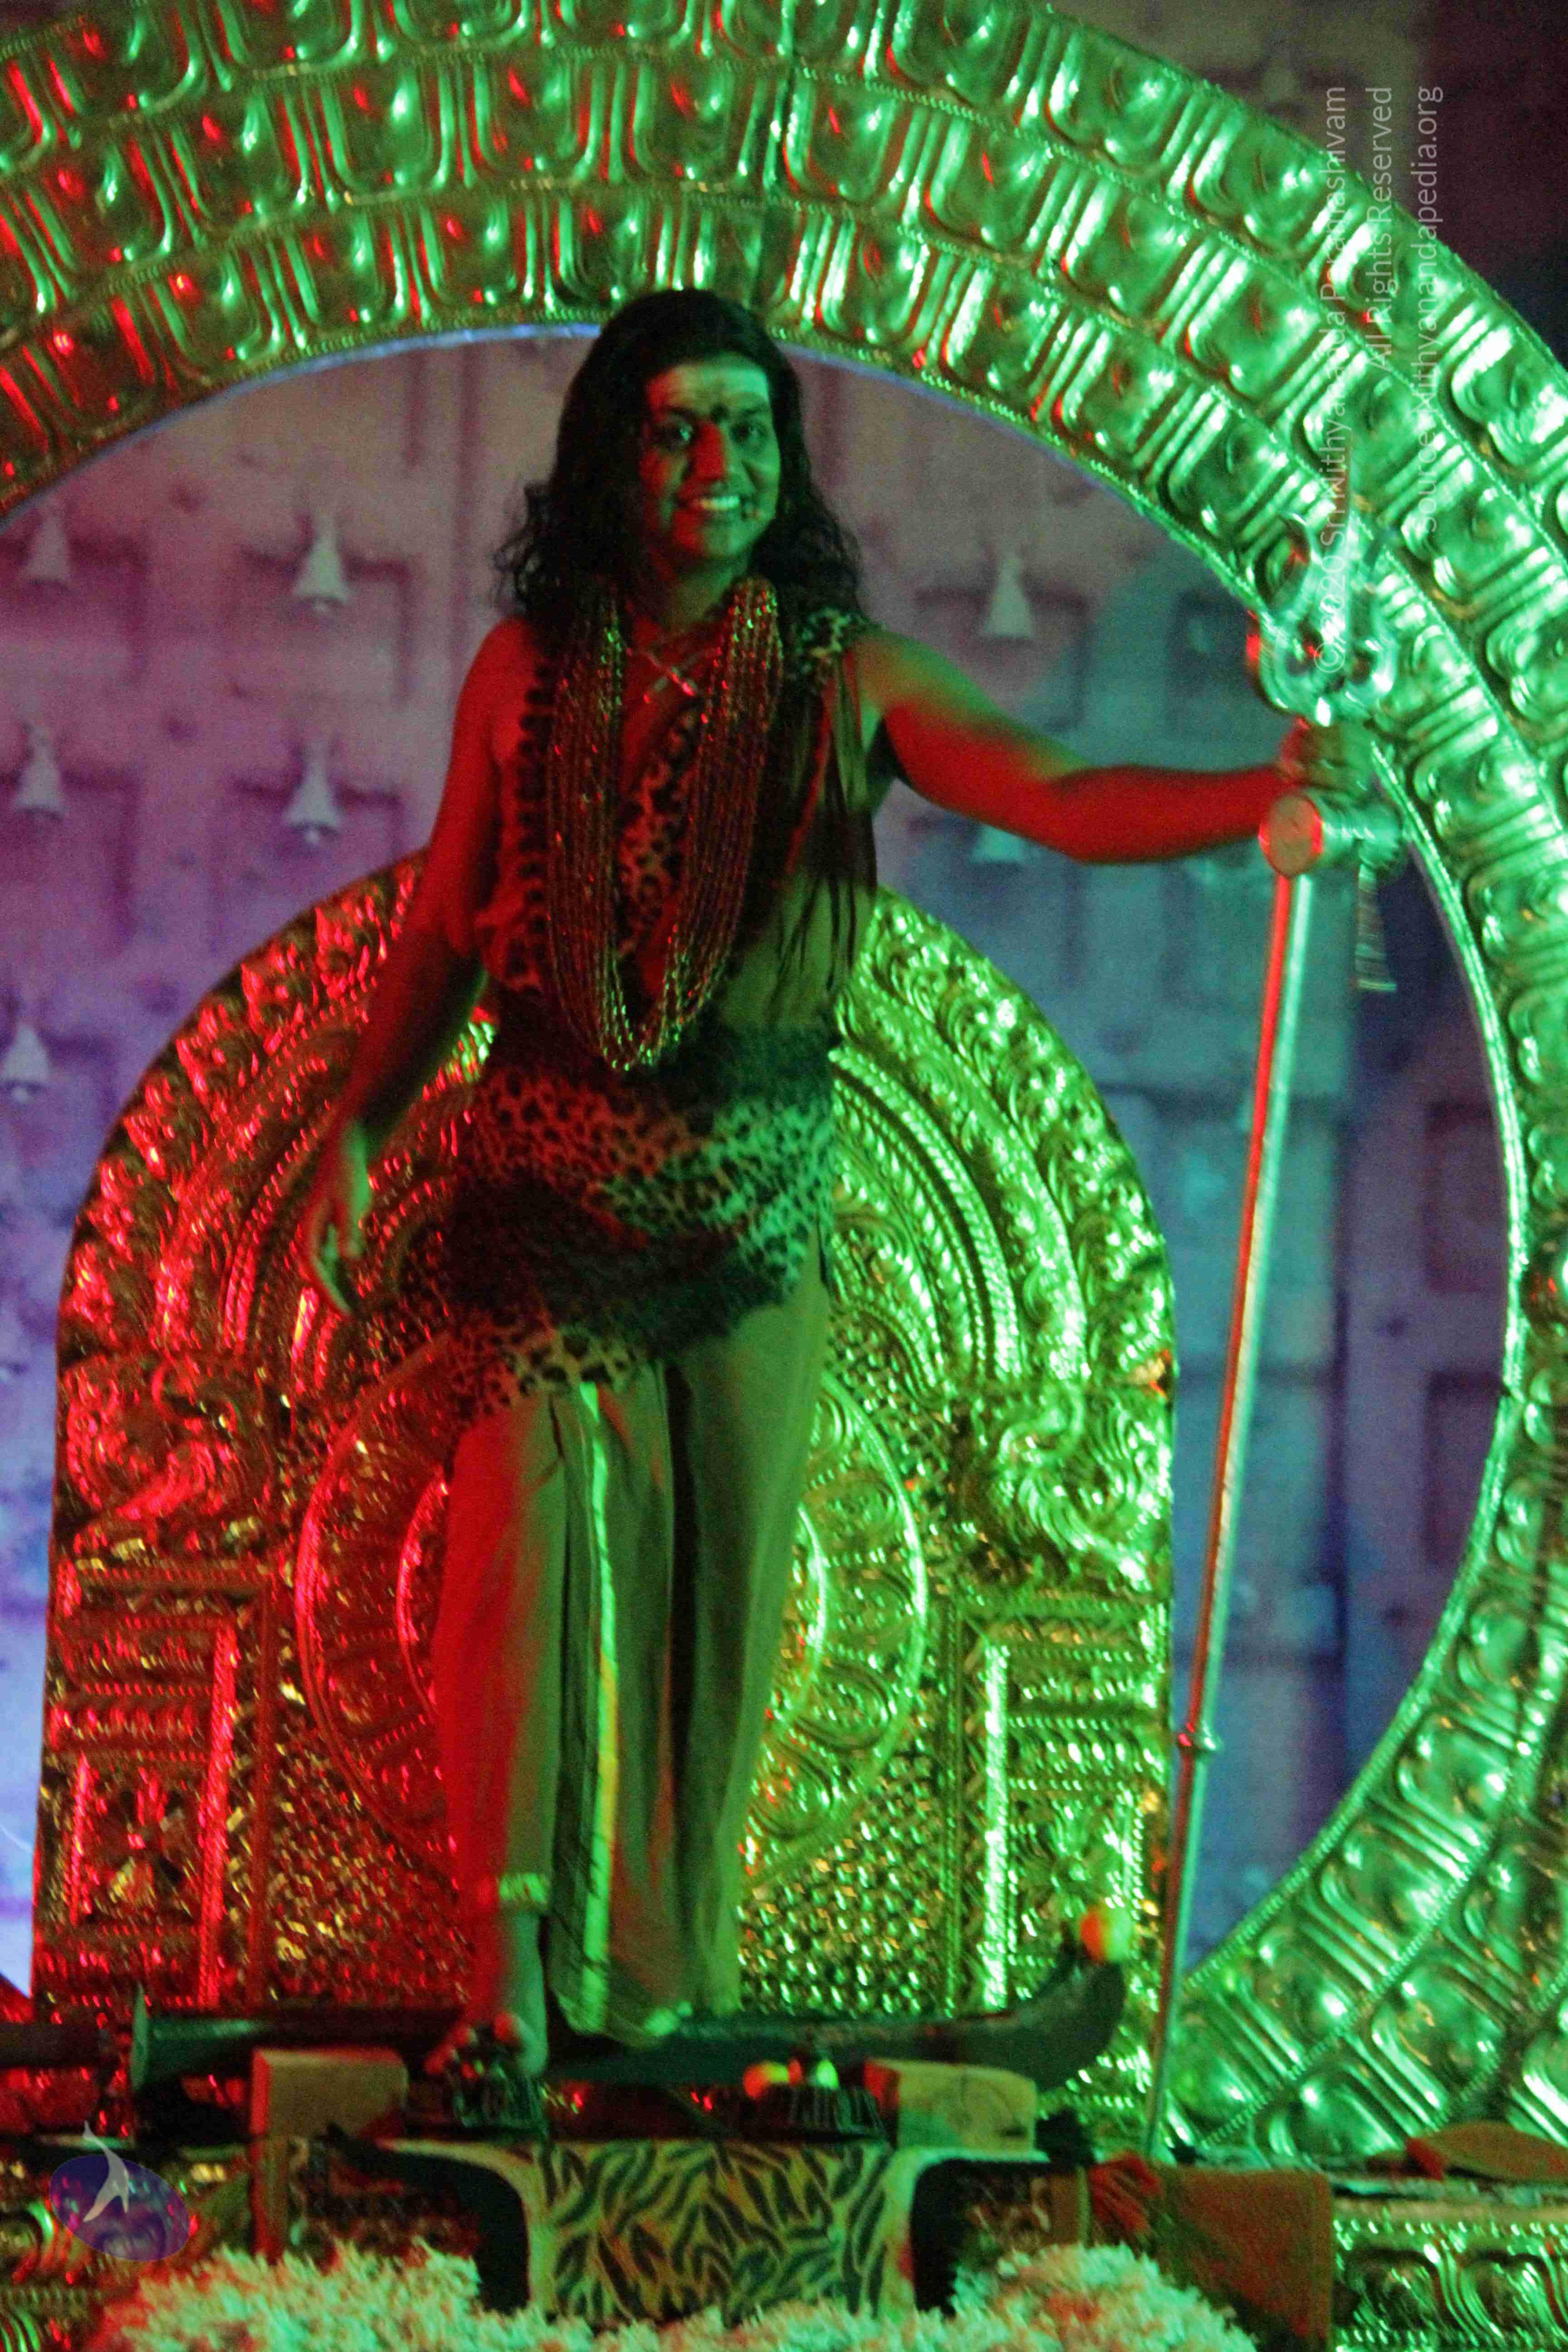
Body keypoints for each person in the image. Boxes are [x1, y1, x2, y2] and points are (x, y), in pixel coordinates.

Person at [299, 289, 1320, 2090]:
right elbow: (451, 926)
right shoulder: (528, 672)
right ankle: (505, 1975)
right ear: (615, 459)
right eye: (679, 428)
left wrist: (1265, 797)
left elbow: (1061, 792)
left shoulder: (845, 679)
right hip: (542, 1193)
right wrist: (365, 1124)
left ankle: (643, 1999)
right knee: (529, 1545)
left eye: (751, 428)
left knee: (709, 1615)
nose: (720, 463)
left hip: (749, 1210)